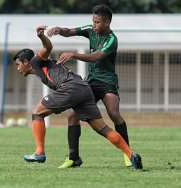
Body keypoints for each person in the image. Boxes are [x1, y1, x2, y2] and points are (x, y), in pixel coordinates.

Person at [13, 25, 143, 170]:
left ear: (26, 62)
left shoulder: (36, 61)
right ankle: (131, 154)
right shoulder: (41, 68)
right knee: (103, 128)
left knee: (37, 112)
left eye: (18, 65)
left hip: (71, 87)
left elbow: (48, 47)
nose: (17, 69)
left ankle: (39, 153)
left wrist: (41, 36)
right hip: (84, 88)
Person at [47, 4, 133, 168]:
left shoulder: (112, 40)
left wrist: (73, 54)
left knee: (114, 113)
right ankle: (73, 158)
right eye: (93, 21)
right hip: (91, 82)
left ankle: (128, 153)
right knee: (73, 115)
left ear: (107, 23)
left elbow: (96, 56)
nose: (94, 25)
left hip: (107, 82)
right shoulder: (90, 30)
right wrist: (59, 29)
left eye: (97, 22)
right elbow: (70, 31)